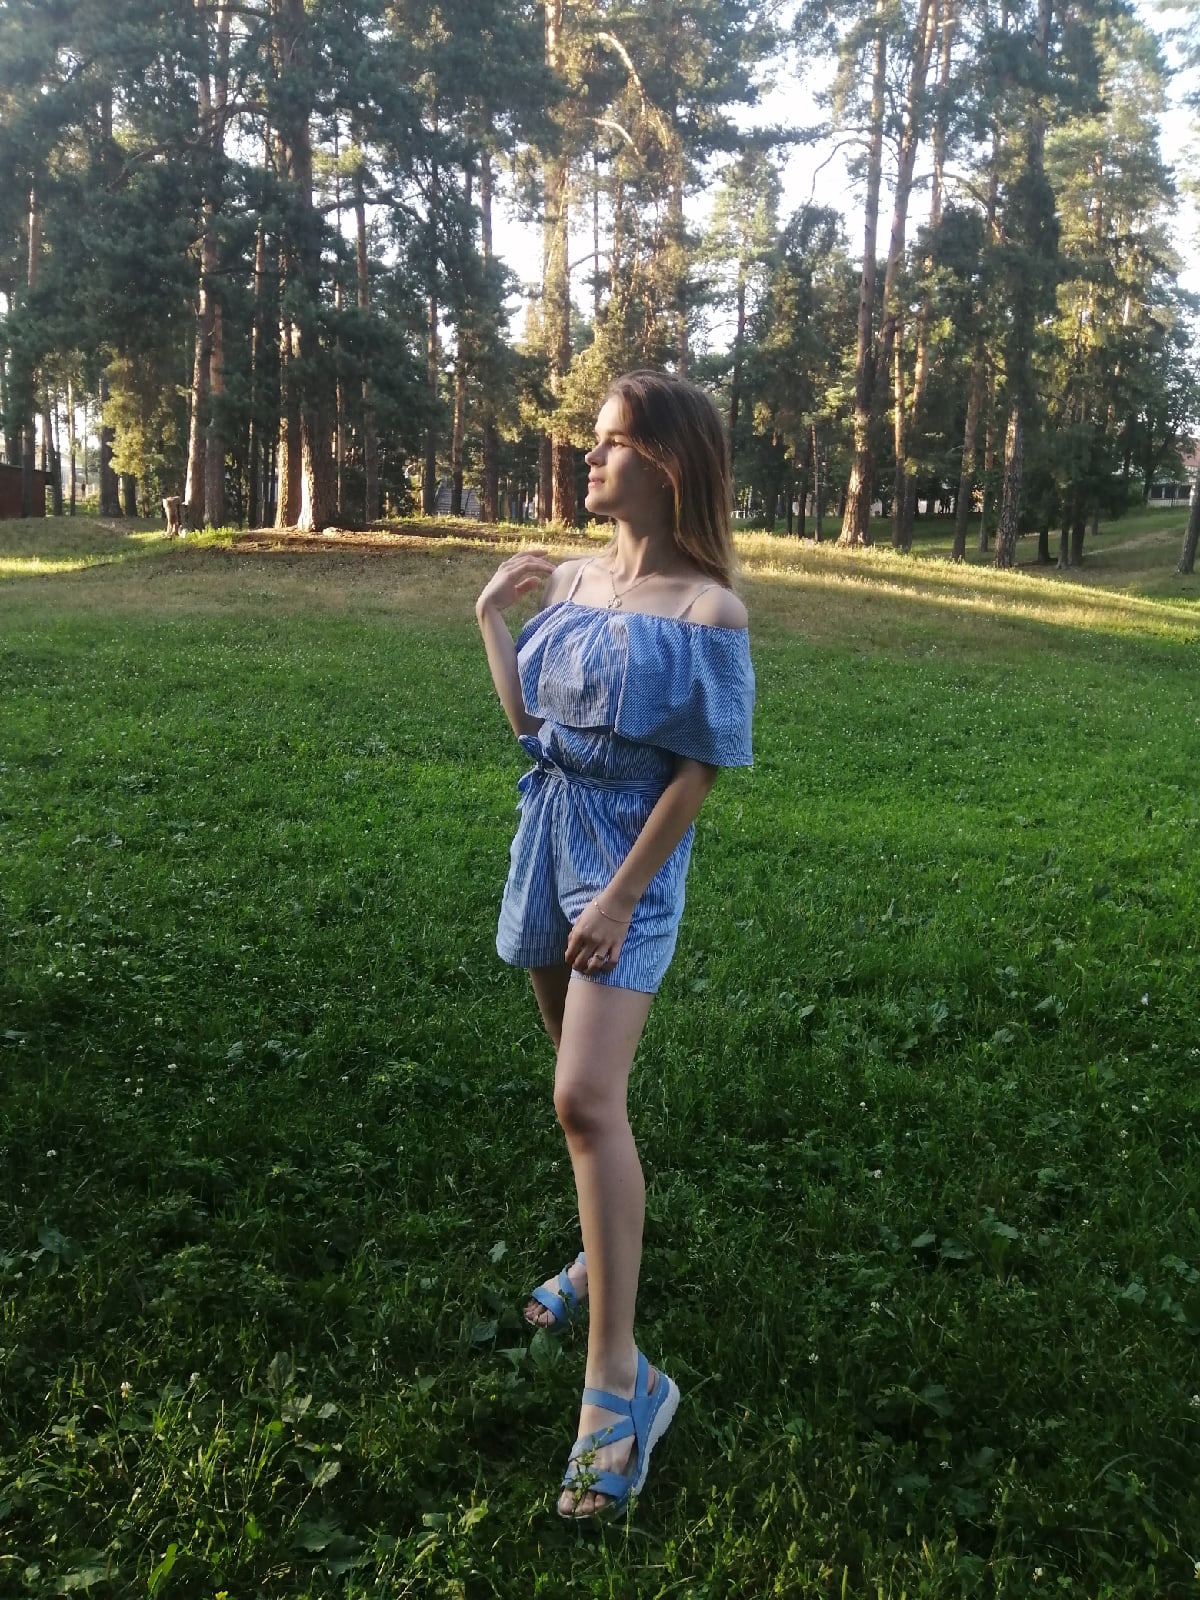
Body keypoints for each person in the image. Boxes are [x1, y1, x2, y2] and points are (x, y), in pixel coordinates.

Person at [474, 369, 755, 1520]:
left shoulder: (707, 611)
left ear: (667, 462)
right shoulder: (572, 581)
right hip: (546, 838)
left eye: (610, 441)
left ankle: (620, 1382)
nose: (588, 457)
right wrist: (489, 621)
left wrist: (621, 900)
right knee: (578, 1090)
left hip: (623, 864)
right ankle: (600, 1252)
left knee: (586, 1097)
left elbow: (698, 773)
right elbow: (530, 729)